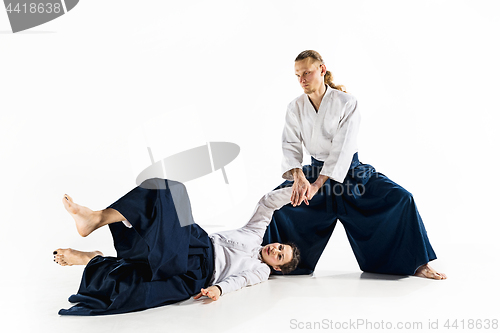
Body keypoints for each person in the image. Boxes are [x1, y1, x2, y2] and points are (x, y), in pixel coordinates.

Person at [263, 50, 446, 280]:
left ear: (322, 69)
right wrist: (299, 176)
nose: (302, 80)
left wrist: (318, 184)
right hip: (312, 172)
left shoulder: (346, 102)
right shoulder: (295, 107)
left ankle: (417, 264)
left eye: (307, 73)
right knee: (275, 204)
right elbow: (290, 144)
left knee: (402, 199)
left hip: (351, 173)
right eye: (298, 75)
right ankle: (265, 264)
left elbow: (342, 149)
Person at [54, 178, 300, 316]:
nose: (275, 250)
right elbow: (268, 204)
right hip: (199, 241)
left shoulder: (261, 271)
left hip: (197, 272)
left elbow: (241, 280)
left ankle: (94, 258)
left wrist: (219, 290)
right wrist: (296, 190)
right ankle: (96, 218)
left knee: (135, 282)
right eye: (280, 246)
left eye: (280, 256)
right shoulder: (255, 234)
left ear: (277, 268)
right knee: (169, 189)